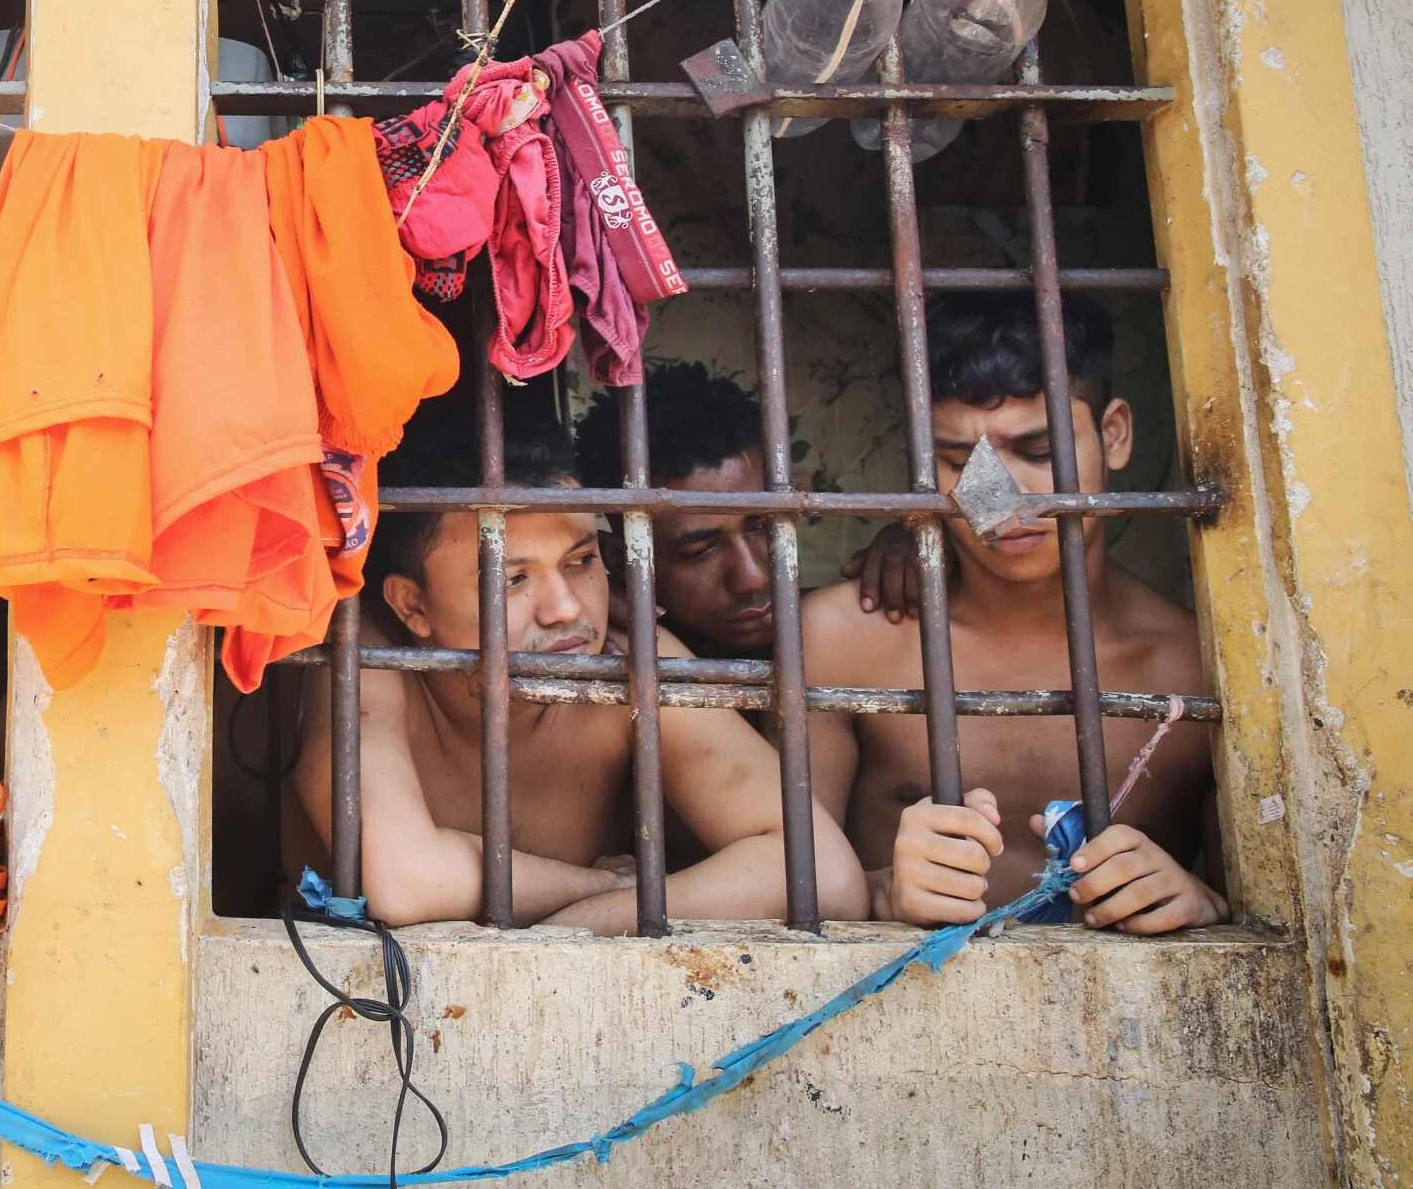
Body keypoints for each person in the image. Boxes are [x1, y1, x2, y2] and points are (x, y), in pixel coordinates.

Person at [288, 387, 866, 932]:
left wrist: (592, 918)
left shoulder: (631, 655)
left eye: (580, 562)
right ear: (413, 606)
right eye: (513, 579)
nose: (566, 609)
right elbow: (404, 882)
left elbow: (824, 875)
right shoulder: (371, 656)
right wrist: (607, 884)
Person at [803, 293, 1221, 932]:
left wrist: (1204, 902)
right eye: (958, 461)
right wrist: (883, 892)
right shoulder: (845, 639)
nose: (1001, 497)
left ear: (1114, 435)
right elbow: (783, 884)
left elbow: (1277, 899)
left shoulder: (1200, 666)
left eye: (1037, 448)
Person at [576, 362, 776, 659]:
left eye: (765, 527)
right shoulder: (610, 652)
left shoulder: (848, 618)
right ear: (620, 559)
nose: (753, 577)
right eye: (700, 551)